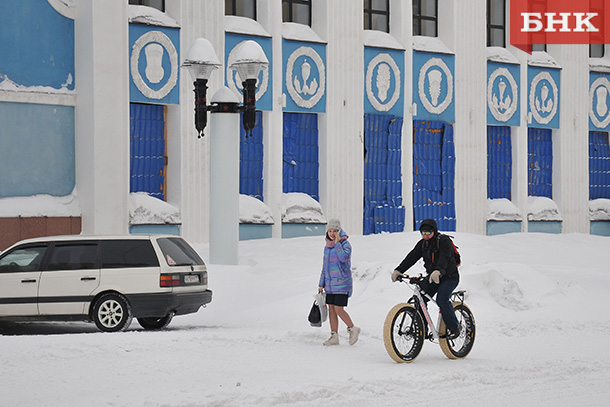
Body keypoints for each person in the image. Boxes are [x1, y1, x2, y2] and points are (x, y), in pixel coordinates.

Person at [390, 218, 461, 339]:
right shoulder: (423, 244)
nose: (426, 236)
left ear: (434, 231)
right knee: (419, 299)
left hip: (449, 277)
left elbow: (445, 257)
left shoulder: (444, 241)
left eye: (428, 233)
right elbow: (411, 257)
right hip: (433, 278)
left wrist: (438, 270)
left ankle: (455, 328)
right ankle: (422, 329)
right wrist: (399, 270)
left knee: (442, 300)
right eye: (423, 233)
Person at [318, 218, 360, 346]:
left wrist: (337, 244)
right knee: (331, 309)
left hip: (342, 284)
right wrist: (321, 284)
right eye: (330, 231)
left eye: (335, 231)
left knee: (338, 309)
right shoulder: (327, 247)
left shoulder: (345, 244)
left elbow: (344, 258)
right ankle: (334, 336)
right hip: (330, 285)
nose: (332, 233)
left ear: (339, 231)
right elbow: (325, 267)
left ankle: (353, 328)